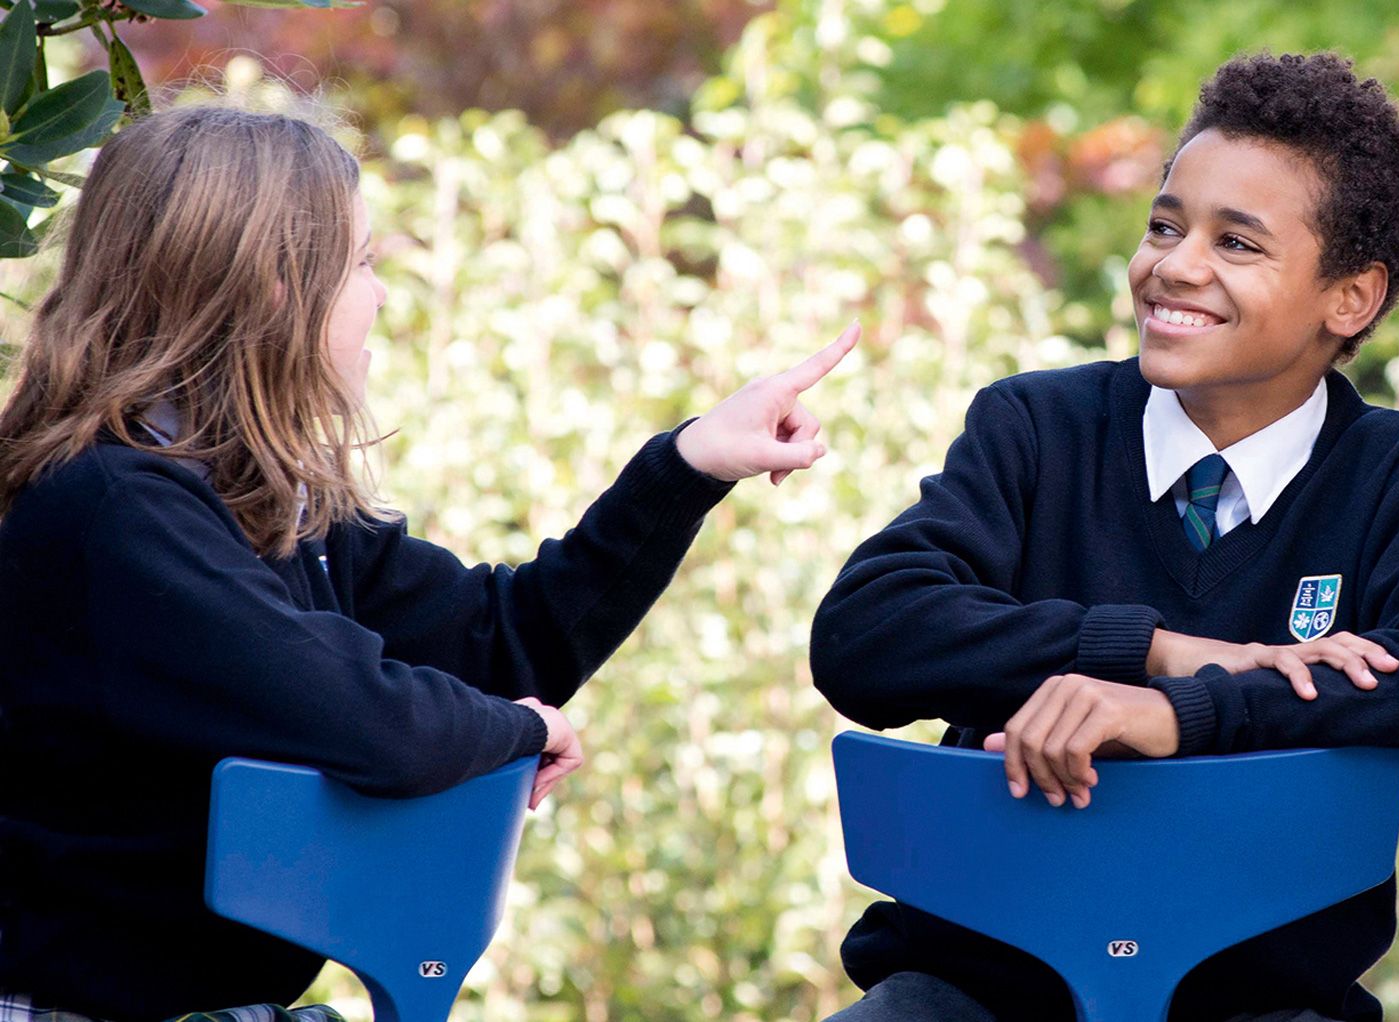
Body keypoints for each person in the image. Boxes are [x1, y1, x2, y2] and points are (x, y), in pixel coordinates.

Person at [0, 103, 855, 1019]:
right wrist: (524, 731)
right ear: (274, 287)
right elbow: (372, 726)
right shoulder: (115, 511)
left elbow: (501, 642)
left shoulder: (264, 502)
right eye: (361, 263)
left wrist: (689, 465)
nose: (378, 295)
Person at [809, 52, 1399, 1022]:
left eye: (1237, 243)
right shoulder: (1036, 428)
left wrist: (1187, 712)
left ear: (1350, 297)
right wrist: (1149, 650)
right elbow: (866, 630)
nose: (1174, 265)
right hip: (970, 990)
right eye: (1165, 224)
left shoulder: (1398, 476)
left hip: (1261, 1000)